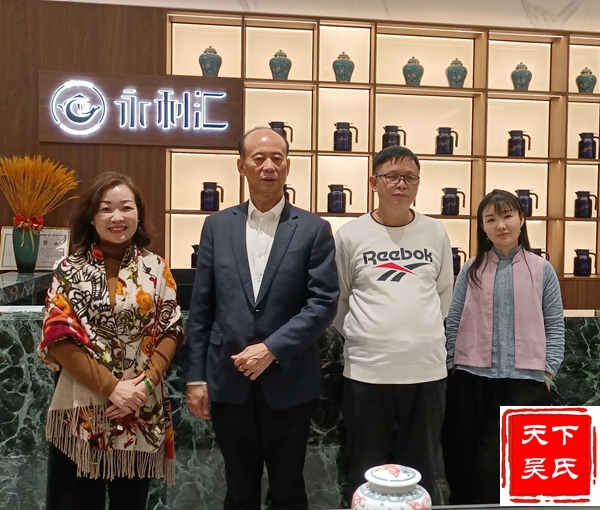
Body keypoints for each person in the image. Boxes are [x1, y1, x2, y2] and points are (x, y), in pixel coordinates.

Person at [183, 127, 339, 510]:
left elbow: (323, 303)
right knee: (239, 492)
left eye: (277, 158)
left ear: (287, 166)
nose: (268, 166)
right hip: (228, 381)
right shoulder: (217, 226)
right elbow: (202, 308)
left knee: (288, 491)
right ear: (242, 166)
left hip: (290, 381)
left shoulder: (314, 229)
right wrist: (196, 378)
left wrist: (271, 348)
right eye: (259, 158)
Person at [38, 172, 184, 510]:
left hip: (139, 406)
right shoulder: (69, 270)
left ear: (138, 214)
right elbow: (58, 337)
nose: (117, 217)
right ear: (92, 216)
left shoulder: (156, 268)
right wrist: (112, 388)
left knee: (130, 503)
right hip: (81, 409)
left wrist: (143, 385)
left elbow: (171, 330)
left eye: (126, 208)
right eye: (106, 208)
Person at [333, 145, 454, 504]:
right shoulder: (350, 235)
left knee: (423, 471)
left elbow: (443, 293)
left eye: (410, 178)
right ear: (374, 182)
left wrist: (418, 334)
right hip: (367, 373)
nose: (401, 184)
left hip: (427, 372)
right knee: (365, 469)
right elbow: (339, 299)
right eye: (392, 177)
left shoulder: (435, 232)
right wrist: (366, 335)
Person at [442, 189, 565, 504]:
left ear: (521, 220)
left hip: (526, 382)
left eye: (507, 216)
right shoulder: (471, 269)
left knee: (505, 467)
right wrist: (452, 365)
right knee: (464, 461)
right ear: (482, 227)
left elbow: (554, 324)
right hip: (471, 380)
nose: (501, 225)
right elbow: (454, 321)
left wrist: (548, 373)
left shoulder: (542, 269)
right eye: (491, 219)